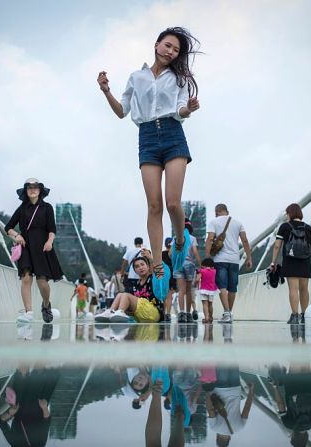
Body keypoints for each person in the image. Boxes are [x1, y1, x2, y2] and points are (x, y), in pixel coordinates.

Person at [97, 27, 201, 295]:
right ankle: (157, 263)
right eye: (168, 46)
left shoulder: (178, 79)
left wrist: (187, 109)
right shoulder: (136, 77)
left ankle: (180, 240)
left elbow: (179, 109)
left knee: (173, 202)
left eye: (176, 50)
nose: (171, 52)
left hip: (173, 134)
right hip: (147, 139)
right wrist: (106, 91)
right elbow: (122, 111)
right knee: (154, 204)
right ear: (156, 45)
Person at [5, 178, 63, 323]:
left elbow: (52, 229)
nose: (32, 189)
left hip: (42, 246)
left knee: (42, 281)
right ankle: (28, 312)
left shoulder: (47, 207)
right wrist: (16, 235)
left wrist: (50, 242)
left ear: (40, 190)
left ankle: (45, 304)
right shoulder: (22, 208)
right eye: (29, 187)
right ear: (26, 190)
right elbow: (8, 227)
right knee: (26, 278)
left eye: (35, 187)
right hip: (25, 245)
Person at [270, 203, 311, 325]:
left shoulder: (285, 227)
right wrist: (307, 255)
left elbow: (277, 245)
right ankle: (304, 315)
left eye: (287, 213)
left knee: (293, 289)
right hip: (304, 262)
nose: (286, 216)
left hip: (290, 261)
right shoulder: (308, 227)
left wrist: (273, 262)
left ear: (290, 213)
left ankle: (295, 316)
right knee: (304, 289)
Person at [205, 204, 253, 324]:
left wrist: (207, 257)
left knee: (222, 287)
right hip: (234, 260)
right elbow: (245, 240)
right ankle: (228, 313)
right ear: (227, 211)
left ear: (216, 212)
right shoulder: (238, 223)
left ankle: (227, 313)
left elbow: (210, 239)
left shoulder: (213, 222)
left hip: (220, 259)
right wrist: (249, 257)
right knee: (232, 287)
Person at [95, 251, 165, 323]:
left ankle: (120, 312)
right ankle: (110, 312)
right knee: (120, 295)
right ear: (135, 271)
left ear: (148, 266)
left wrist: (150, 258)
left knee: (125, 295)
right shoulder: (135, 285)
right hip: (141, 315)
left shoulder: (153, 279)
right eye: (137, 266)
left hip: (154, 312)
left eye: (142, 265)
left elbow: (159, 270)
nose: (140, 267)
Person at [269, 363, 311, 447]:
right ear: (294, 437)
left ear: (306, 437)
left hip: (308, 386)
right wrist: (275, 387)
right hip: (292, 388)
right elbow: (280, 405)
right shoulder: (289, 424)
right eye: (291, 437)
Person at [205, 367, 254, 443]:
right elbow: (211, 410)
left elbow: (247, 409)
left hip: (235, 388)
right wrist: (207, 392)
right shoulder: (214, 428)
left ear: (229, 439)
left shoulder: (240, 427)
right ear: (217, 438)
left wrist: (251, 391)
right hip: (219, 389)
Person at [174, 219, 201, 323]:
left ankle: (181, 313)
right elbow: (195, 252)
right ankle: (188, 314)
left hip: (179, 264)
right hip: (189, 264)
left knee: (181, 290)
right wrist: (200, 264)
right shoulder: (192, 238)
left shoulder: (176, 238)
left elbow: (171, 253)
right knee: (188, 290)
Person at [195, 257, 217, 323]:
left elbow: (197, 279)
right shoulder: (214, 271)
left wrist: (195, 283)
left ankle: (206, 317)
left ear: (204, 264)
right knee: (210, 304)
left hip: (204, 289)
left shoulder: (201, 271)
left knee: (205, 304)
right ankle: (210, 317)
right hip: (212, 290)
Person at [161, 237, 176, 322]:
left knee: (163, 296)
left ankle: (163, 313)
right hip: (172, 275)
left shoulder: (162, 254)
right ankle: (168, 314)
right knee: (169, 296)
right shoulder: (174, 254)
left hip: (164, 274)